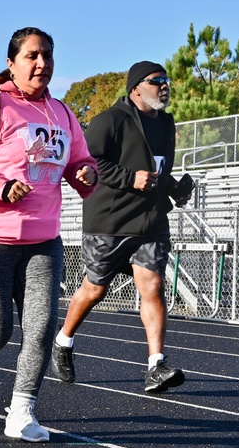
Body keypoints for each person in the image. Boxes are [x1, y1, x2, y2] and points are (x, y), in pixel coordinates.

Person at [0, 27, 99, 442]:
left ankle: (21, 412)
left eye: (47, 55)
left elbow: (80, 162)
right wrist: (0, 187)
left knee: (42, 329)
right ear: (12, 63)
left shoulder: (62, 114)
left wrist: (85, 173)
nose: (41, 63)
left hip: (43, 241)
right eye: (31, 56)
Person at [51, 61, 194, 394]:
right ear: (135, 88)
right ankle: (63, 341)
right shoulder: (109, 120)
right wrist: (130, 179)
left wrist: (175, 189)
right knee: (95, 289)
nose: (165, 86)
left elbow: (156, 171)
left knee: (153, 285)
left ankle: (156, 365)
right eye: (156, 81)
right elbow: (88, 162)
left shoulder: (166, 125)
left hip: (151, 219)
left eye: (166, 81)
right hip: (110, 221)